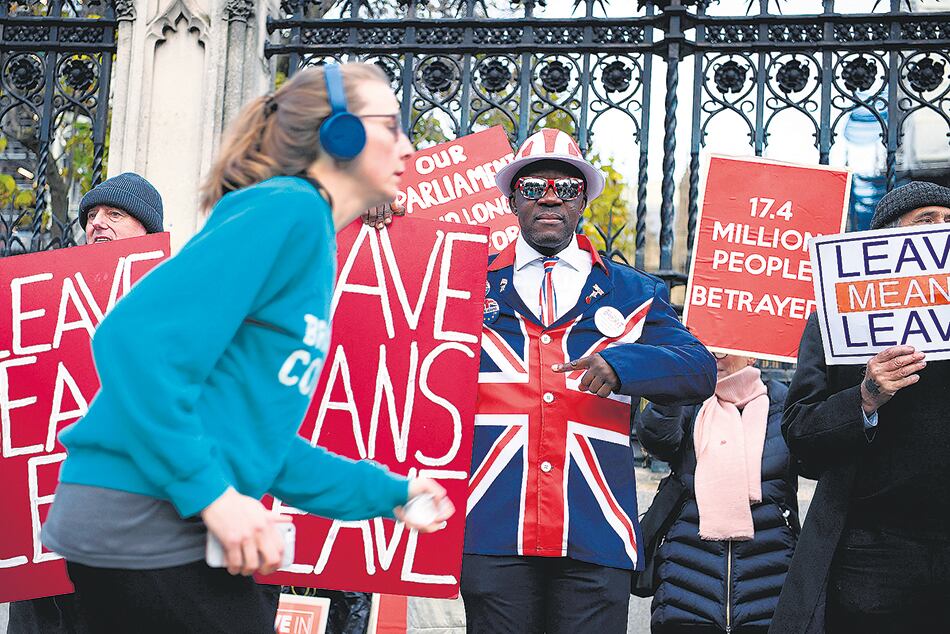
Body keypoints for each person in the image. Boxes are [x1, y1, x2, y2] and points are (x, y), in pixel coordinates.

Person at [39, 62, 453, 634]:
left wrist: (390, 492)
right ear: (340, 136)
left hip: (155, 526)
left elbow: (262, 446)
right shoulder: (289, 208)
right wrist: (216, 498)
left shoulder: (305, 233)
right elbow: (131, 342)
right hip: (140, 519)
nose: (407, 146)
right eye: (390, 126)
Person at [458, 128, 717, 633]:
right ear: (512, 199)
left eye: (567, 188)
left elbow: (699, 368)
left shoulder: (632, 290)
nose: (550, 197)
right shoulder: (467, 281)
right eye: (534, 187)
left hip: (595, 529)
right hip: (492, 524)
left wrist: (625, 363)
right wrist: (381, 219)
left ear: (584, 200)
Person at [771, 181, 950, 634]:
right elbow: (801, 434)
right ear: (887, 242)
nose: (942, 230)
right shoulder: (836, 320)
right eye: (926, 221)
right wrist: (866, 396)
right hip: (874, 556)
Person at [7, 173, 164, 634]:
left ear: (150, 234)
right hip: (44, 538)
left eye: (116, 214)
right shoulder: (43, 302)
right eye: (91, 216)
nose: (98, 224)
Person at [637, 353, 797, 634]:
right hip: (685, 589)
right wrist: (672, 385)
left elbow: (814, 461)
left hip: (767, 589)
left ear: (752, 355)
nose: (716, 354)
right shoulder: (689, 399)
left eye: (727, 345)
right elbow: (657, 440)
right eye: (710, 344)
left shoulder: (786, 403)